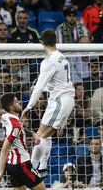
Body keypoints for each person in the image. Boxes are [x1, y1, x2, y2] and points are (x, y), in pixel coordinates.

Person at [21, 29, 75, 177]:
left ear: (41, 43)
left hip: (59, 101)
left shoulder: (48, 61)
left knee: (39, 136)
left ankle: (34, 167)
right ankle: (39, 166)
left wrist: (29, 106)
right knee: (44, 135)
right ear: (55, 41)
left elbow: (39, 86)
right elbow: (56, 81)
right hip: (65, 99)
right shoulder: (63, 57)